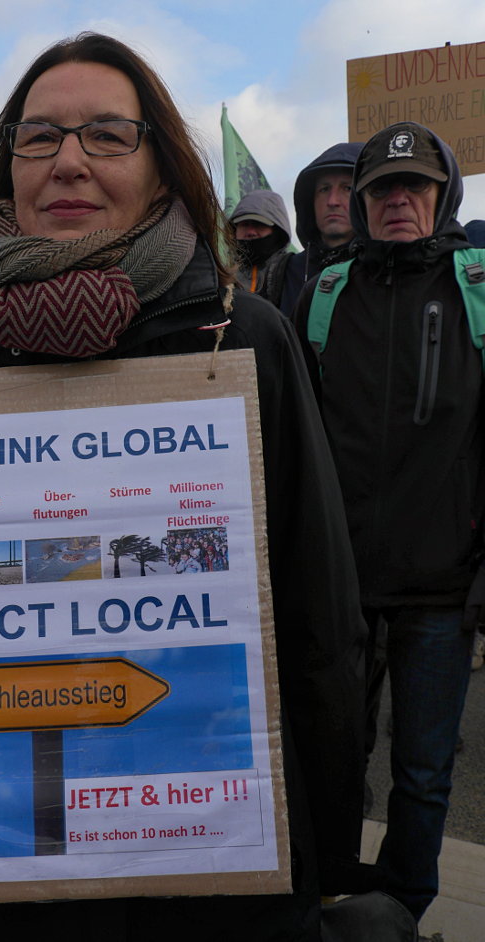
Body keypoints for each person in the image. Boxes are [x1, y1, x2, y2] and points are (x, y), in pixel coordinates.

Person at [0, 33, 367, 941]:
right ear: (4, 170)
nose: (69, 162)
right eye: (39, 137)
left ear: (163, 170)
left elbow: (317, 608)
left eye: (106, 135)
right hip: (3, 856)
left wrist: (323, 827)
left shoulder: (243, 340)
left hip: (217, 861)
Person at [293, 121, 481, 923]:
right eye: (381, 189)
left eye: (415, 187)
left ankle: (402, 908)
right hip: (341, 587)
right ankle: (333, 887)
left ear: (443, 199)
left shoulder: (477, 291)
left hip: (442, 588)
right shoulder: (324, 296)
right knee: (331, 757)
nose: (397, 200)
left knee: (425, 769)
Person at [279, 142, 362, 315]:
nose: (332, 201)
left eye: (347, 188)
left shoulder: (384, 269)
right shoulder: (282, 274)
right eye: (324, 189)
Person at [228, 189, 293, 307]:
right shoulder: (221, 277)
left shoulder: (292, 273)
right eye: (244, 224)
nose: (251, 231)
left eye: (259, 224)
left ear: (277, 232)